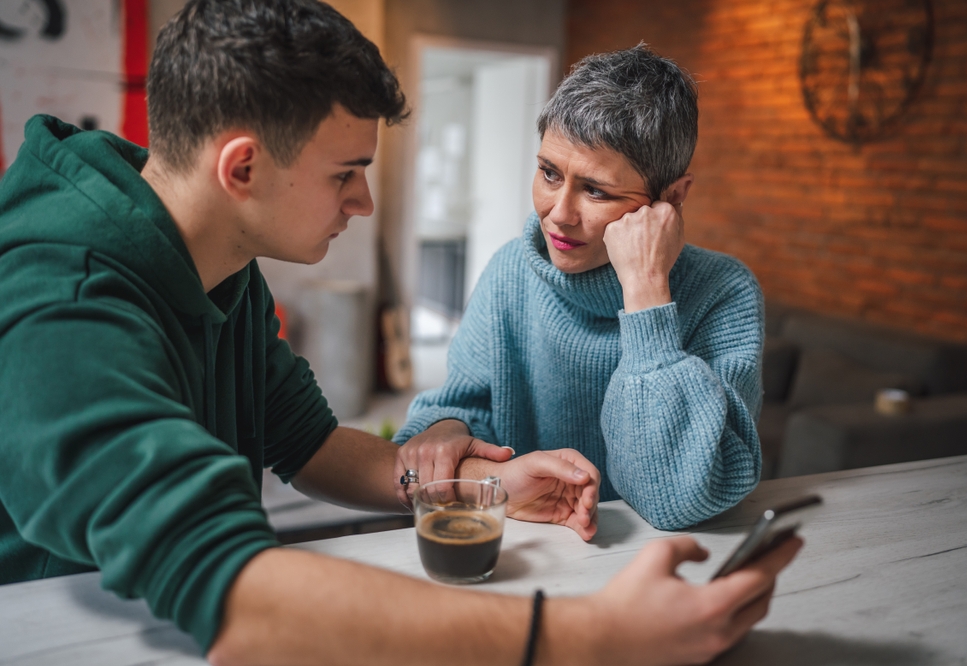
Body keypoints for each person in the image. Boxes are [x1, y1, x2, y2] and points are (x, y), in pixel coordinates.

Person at [0, 2, 799, 663]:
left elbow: (307, 443)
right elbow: (235, 588)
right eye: (345, 173)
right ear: (241, 170)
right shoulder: (63, 300)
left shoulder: (218, 263)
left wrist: (480, 486)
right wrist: (588, 638)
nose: (365, 205)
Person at [394, 45, 764, 531]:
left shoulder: (725, 294)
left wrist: (647, 292)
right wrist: (447, 427)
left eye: (596, 190)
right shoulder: (511, 271)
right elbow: (458, 410)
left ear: (671, 198)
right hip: (527, 552)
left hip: (663, 571)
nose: (558, 213)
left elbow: (679, 499)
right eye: (549, 173)